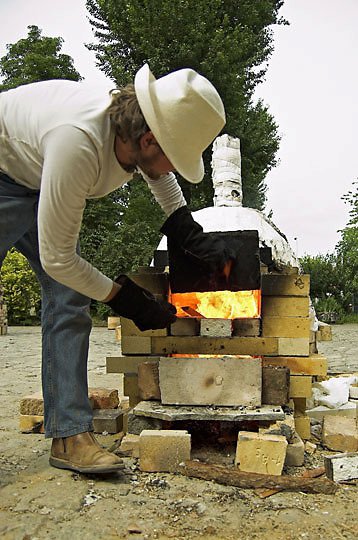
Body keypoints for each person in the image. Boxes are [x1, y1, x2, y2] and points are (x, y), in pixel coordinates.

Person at [0, 64, 232, 474]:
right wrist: (127, 300)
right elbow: (59, 258)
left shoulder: (130, 131)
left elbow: (157, 172)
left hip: (38, 174)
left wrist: (184, 226)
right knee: (68, 276)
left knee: (69, 296)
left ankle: (70, 436)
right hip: (4, 173)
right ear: (147, 139)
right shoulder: (80, 144)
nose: (173, 169)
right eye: (174, 158)